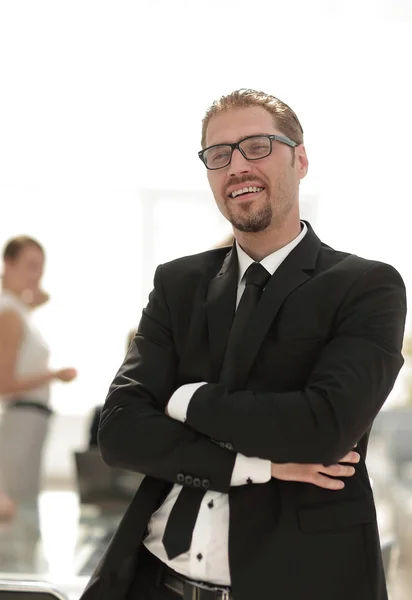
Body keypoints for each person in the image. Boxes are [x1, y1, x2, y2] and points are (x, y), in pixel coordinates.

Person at [81, 89, 406, 600]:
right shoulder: (179, 283)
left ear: (300, 160)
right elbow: (120, 431)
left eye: (257, 146)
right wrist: (261, 465)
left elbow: (322, 429)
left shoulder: (366, 286)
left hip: (296, 583)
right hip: (152, 581)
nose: (236, 166)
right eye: (219, 154)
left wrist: (185, 400)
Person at [0, 235, 77, 504]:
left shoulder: (17, 308)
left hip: (30, 421)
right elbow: (4, 384)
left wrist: (30, 289)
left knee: (25, 502)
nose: (37, 274)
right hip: (20, 420)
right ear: (8, 263)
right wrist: (54, 376)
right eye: (31, 266)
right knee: (19, 507)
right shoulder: (9, 314)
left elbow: (42, 297)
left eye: (41, 267)